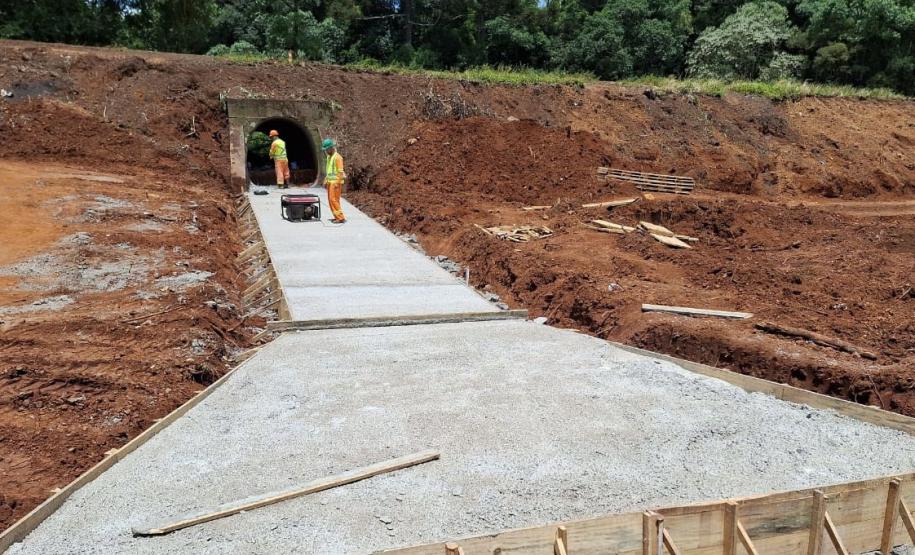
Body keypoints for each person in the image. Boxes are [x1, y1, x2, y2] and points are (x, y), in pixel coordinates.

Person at [313, 138, 346, 223]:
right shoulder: (329, 157)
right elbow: (329, 170)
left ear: (331, 147)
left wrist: (337, 182)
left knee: (333, 199)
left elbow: (340, 171)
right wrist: (326, 179)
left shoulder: (337, 157)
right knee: (332, 200)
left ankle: (340, 217)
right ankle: (336, 216)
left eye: (327, 149)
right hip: (331, 182)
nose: (326, 151)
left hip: (335, 183)